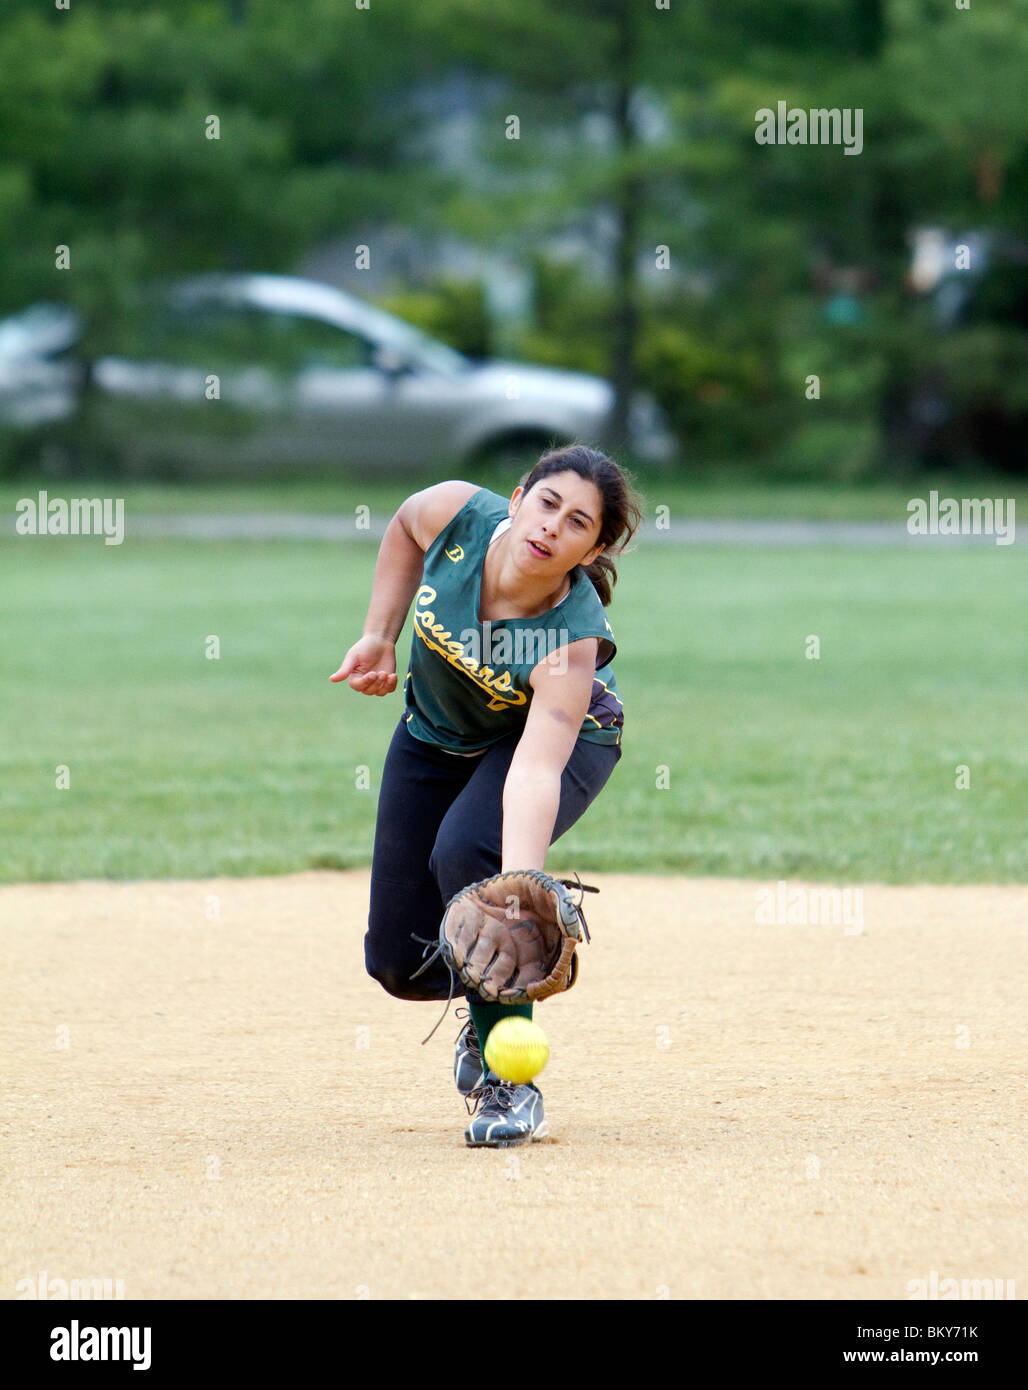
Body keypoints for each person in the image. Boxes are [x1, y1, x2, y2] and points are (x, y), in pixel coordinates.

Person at [329, 443, 641, 1147]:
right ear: (520, 493)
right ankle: (482, 1007)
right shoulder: (456, 515)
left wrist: (516, 883)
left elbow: (533, 768)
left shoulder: (569, 638)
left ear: (592, 549)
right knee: (400, 963)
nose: (551, 527)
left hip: (559, 742)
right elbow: (407, 525)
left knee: (468, 851)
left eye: (577, 524)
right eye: (548, 503)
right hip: (435, 732)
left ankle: (512, 1081)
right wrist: (379, 634)